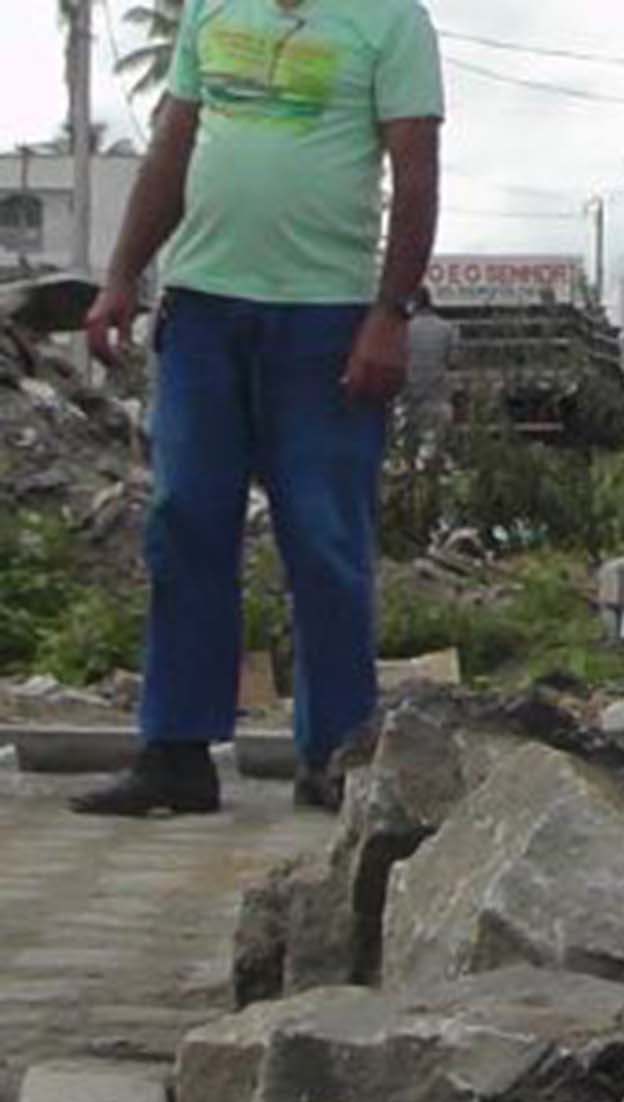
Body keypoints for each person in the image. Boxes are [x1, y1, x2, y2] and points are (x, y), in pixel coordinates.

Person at [74, 0, 445, 816]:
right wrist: (121, 276)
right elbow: (171, 149)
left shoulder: (391, 21)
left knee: (323, 534)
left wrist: (390, 314)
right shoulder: (212, 7)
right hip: (204, 311)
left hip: (327, 319)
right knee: (185, 520)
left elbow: (415, 174)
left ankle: (335, 755)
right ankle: (175, 753)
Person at [399, 285, 460, 458]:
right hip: (437, 396)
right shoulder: (448, 328)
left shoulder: (403, 329)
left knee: (409, 451)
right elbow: (454, 360)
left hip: (409, 398)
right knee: (438, 451)